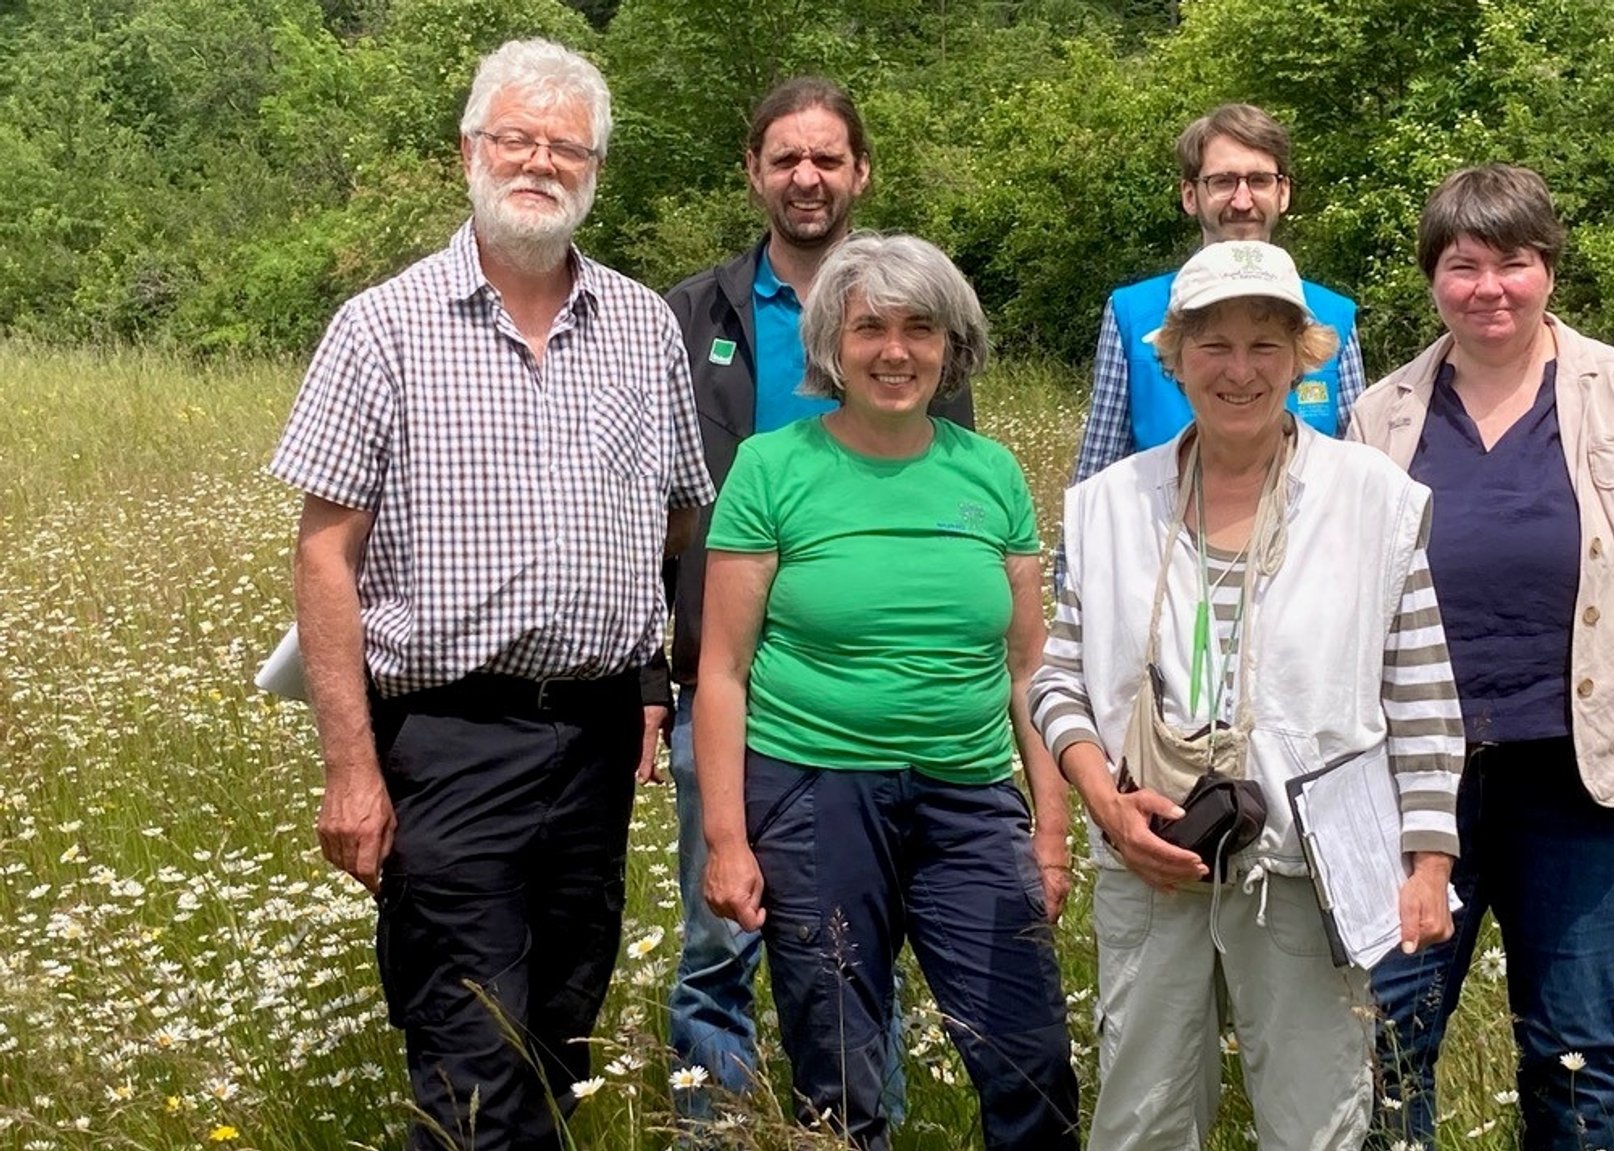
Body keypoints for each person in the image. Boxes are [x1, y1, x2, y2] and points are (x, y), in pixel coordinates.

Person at [269, 39, 716, 1151]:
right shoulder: (383, 324)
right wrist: (351, 768)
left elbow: (674, 519)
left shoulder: (642, 326)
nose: (539, 162)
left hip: (597, 735)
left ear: (595, 169)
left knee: (558, 1034)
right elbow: (324, 555)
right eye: (516, 138)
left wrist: (645, 674)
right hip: (447, 740)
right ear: (469, 149)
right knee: (470, 1048)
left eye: (566, 146)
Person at [1030, 239, 1463, 1151]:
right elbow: (1058, 677)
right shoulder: (1109, 505)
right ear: (1174, 357)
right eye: (1212, 344)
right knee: (1141, 1117)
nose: (1239, 370)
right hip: (1149, 858)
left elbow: (1419, 685)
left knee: (1318, 1120)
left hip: (1307, 870)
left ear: (1303, 358)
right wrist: (1107, 803)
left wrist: (1428, 861)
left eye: (1265, 345)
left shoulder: (1370, 499)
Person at [1349, 163, 1614, 1151]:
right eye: (1463, 264)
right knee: (1387, 1033)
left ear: (1547, 268)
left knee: (1569, 1041)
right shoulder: (1380, 412)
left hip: (1589, 778)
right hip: (1414, 784)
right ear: (1431, 277)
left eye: (1511, 263)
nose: (1489, 287)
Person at [695, 232, 1079, 1151]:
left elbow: (1034, 666)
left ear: (953, 345)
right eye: (871, 328)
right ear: (833, 341)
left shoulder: (989, 471)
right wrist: (725, 839)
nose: (896, 351)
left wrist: (1052, 828)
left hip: (971, 794)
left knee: (1029, 1055)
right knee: (839, 1068)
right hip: (811, 792)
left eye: (920, 328)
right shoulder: (772, 468)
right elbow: (722, 670)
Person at [661, 77, 975, 1117]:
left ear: (859, 172)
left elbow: (953, 474)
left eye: (827, 159)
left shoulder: (911, 305)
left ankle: (843, 1131)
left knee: (850, 947)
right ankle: (713, 1133)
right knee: (719, 937)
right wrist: (650, 674)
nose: (806, 177)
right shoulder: (692, 311)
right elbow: (654, 496)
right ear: (752, 171)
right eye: (785, 158)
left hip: (855, 706)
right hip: (723, 676)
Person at [1068, 103, 1367, 490]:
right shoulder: (1131, 313)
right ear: (1190, 195)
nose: (1242, 201)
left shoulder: (1333, 316)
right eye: (1223, 181)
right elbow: (1098, 469)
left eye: (1259, 180)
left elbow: (1355, 475)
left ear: (1284, 193)